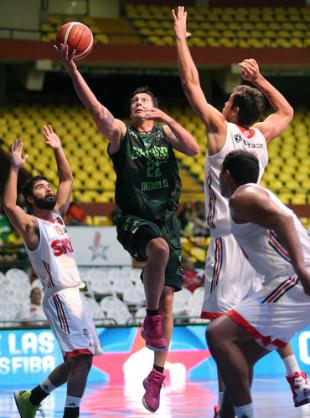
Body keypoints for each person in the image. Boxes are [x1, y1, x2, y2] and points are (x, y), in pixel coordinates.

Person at [172, 6, 308, 415]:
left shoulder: (219, 129)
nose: (223, 102)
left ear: (231, 110)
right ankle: (295, 375)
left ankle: (224, 406)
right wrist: (261, 79)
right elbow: (287, 112)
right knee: (257, 318)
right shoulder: (261, 135)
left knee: (221, 331)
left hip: (227, 242)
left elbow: (190, 81)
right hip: (257, 246)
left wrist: (180, 37)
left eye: (227, 99)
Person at [55, 45, 200, 413]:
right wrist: (73, 70)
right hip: (135, 218)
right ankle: (150, 318)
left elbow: (195, 149)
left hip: (167, 220)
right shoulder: (121, 133)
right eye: (135, 100)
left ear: (152, 107)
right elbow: (97, 110)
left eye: (144, 100)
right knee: (159, 253)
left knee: (170, 299)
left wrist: (165, 116)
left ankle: (155, 376)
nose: (138, 103)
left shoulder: (165, 135)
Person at [3, 126, 102, 418]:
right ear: (31, 200)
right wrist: (14, 167)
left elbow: (67, 179)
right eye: (40, 188)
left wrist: (58, 148)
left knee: (79, 360)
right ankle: (70, 414)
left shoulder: (57, 217)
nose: (47, 189)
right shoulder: (33, 225)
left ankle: (31, 399)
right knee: (81, 357)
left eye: (48, 186)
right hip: (59, 295)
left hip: (74, 294)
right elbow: (9, 204)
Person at [207, 150, 310, 418]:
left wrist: (301, 268)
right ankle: (228, 414)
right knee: (240, 355)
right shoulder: (254, 196)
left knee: (217, 334)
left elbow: (284, 219)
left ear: (226, 175)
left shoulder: (244, 196)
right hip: (291, 282)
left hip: (294, 280)